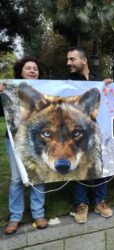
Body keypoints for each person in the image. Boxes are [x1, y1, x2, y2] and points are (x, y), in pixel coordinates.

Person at [1, 57, 48, 234]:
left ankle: (38, 214)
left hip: (39, 140)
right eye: (28, 68)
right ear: (20, 72)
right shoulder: (9, 90)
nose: (32, 70)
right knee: (16, 178)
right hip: (15, 140)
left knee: (38, 174)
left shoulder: (45, 91)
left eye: (35, 68)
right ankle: (15, 217)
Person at [66, 46, 113, 223]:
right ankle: (81, 203)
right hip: (77, 133)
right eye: (68, 59)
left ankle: (100, 201)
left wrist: (109, 86)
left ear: (84, 60)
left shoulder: (98, 79)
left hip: (99, 130)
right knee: (80, 166)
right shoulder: (67, 81)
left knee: (103, 164)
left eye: (72, 59)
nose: (68, 62)